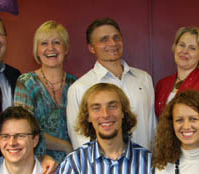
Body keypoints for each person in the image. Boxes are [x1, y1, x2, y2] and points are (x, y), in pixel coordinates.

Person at [66, 17, 156, 150]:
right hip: (104, 169)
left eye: (116, 37)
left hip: (144, 165)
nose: (113, 43)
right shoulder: (80, 88)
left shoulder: (143, 79)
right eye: (104, 39)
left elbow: (152, 127)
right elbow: (79, 138)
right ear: (91, 48)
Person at [14, 20, 77, 163]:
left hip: (73, 165)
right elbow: (23, 129)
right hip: (38, 164)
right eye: (44, 43)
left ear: (66, 48)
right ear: (36, 50)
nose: (51, 48)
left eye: (57, 42)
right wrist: (65, 146)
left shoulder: (76, 84)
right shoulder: (26, 83)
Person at [155, 27, 199, 118]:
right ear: (175, 47)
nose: (185, 51)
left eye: (192, 48)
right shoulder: (162, 84)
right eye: (182, 45)